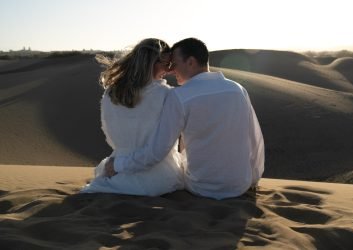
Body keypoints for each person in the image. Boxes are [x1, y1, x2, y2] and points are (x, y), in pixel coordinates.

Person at [105, 38, 265, 200]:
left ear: (190, 62)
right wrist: (253, 179)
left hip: (200, 187)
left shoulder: (180, 96)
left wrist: (118, 164)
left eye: (174, 64)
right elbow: (255, 140)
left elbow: (157, 151)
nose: (171, 71)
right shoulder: (237, 89)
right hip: (240, 186)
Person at [81, 38, 184, 196]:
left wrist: (120, 159)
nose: (169, 70)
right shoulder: (167, 95)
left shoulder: (111, 93)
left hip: (115, 171)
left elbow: (109, 135)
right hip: (158, 177)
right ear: (154, 63)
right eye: (167, 65)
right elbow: (159, 149)